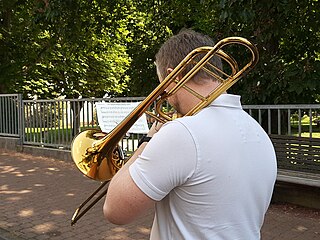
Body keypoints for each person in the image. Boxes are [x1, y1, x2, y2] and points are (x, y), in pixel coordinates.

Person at [103, 29, 277, 239]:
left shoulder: (183, 133)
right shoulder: (258, 133)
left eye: (163, 86)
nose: (164, 96)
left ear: (171, 77)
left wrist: (147, 140)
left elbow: (114, 210)